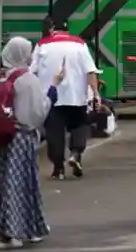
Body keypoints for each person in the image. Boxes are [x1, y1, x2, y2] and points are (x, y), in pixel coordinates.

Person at [0, 37, 53, 250]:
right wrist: (51, 94)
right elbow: (37, 113)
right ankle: (24, 231)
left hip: (1, 139)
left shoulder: (0, 77)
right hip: (23, 139)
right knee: (24, 184)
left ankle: (5, 232)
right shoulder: (28, 79)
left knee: (4, 184)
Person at [31, 16, 100, 180]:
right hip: (77, 96)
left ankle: (58, 168)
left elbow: (32, 71)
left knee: (54, 132)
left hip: (51, 97)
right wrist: (96, 93)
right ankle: (75, 154)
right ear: (68, 29)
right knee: (79, 126)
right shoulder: (80, 44)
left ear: (51, 29)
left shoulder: (42, 45)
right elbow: (90, 71)